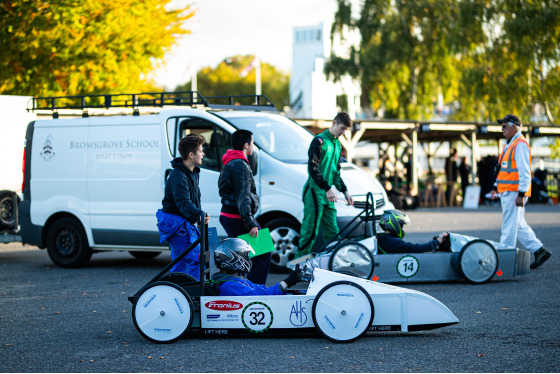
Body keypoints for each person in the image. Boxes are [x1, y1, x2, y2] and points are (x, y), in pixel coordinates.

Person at [489, 114, 551, 269]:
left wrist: (522, 194)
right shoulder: (510, 144)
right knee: (519, 225)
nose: (502, 129)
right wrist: (496, 187)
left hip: (514, 193)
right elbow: (503, 169)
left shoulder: (519, 145)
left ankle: (504, 263)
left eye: (504, 126)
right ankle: (539, 250)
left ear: (514, 126)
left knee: (509, 228)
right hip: (508, 191)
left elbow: (525, 172)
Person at [297, 112, 354, 256]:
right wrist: (328, 188)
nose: (343, 132)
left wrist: (345, 191)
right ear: (334, 123)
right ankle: (298, 265)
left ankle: (335, 262)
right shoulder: (319, 141)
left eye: (346, 130)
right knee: (310, 231)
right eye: (342, 128)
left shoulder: (337, 145)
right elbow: (312, 169)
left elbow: (336, 173)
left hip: (327, 196)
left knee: (333, 232)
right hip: (314, 193)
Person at [218, 129, 271, 285]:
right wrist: (250, 222)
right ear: (247, 145)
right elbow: (243, 195)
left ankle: (242, 287)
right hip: (238, 218)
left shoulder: (230, 161)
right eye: (252, 143)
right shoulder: (240, 165)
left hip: (231, 216)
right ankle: (254, 290)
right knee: (264, 253)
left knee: (243, 255)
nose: (253, 146)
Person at [156, 134, 210, 279]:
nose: (203, 154)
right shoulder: (178, 176)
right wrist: (199, 214)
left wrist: (198, 215)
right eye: (200, 151)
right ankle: (190, 295)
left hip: (182, 222)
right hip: (176, 223)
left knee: (185, 262)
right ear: (191, 155)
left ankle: (184, 293)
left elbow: (192, 200)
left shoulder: (192, 172)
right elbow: (183, 203)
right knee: (193, 261)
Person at [209, 238, 303, 296]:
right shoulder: (230, 285)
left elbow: (259, 289)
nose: (249, 260)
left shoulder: (233, 280)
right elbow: (260, 296)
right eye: (246, 256)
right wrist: (288, 281)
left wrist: (285, 284)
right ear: (234, 259)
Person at [376, 209, 449, 253]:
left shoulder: (381, 238)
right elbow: (416, 248)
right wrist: (437, 242)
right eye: (401, 225)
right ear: (394, 223)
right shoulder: (393, 242)